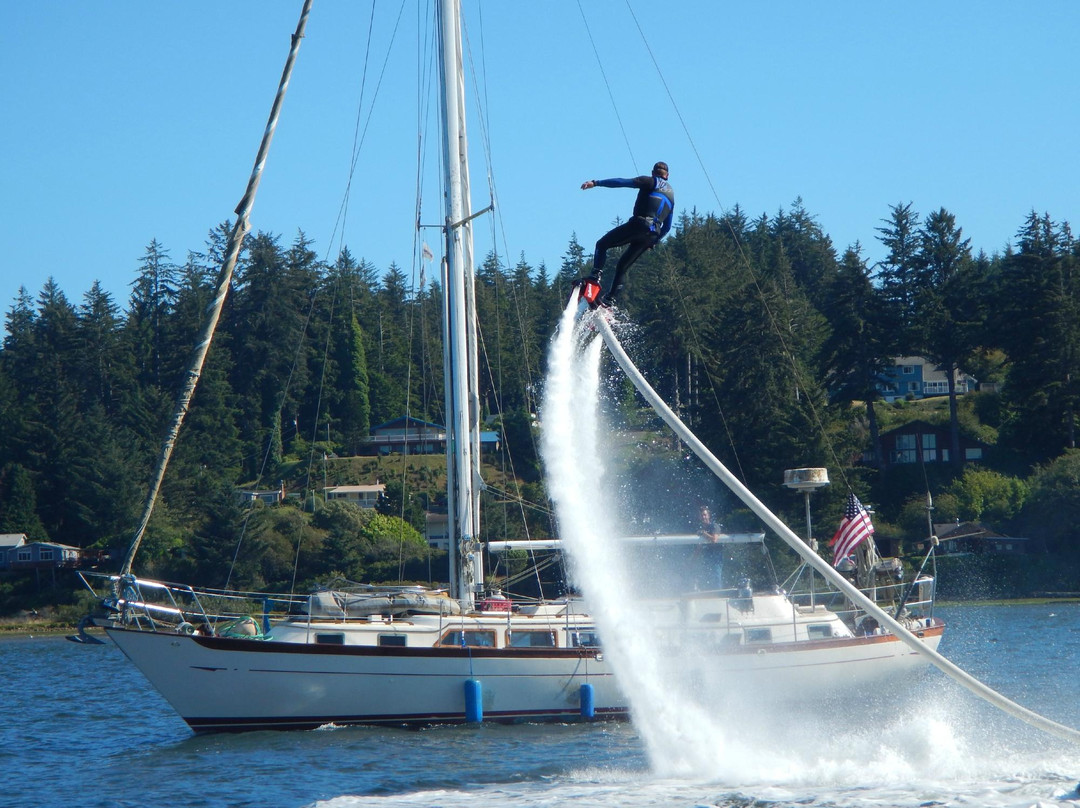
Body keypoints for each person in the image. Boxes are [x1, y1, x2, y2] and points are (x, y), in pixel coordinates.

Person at [580, 161, 675, 307]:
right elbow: (667, 227)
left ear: (653, 172)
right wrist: (654, 242)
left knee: (601, 245)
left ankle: (595, 276)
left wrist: (596, 182)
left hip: (639, 224)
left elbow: (622, 182)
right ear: (667, 176)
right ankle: (609, 300)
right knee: (623, 266)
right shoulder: (671, 197)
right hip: (652, 234)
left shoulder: (649, 181)